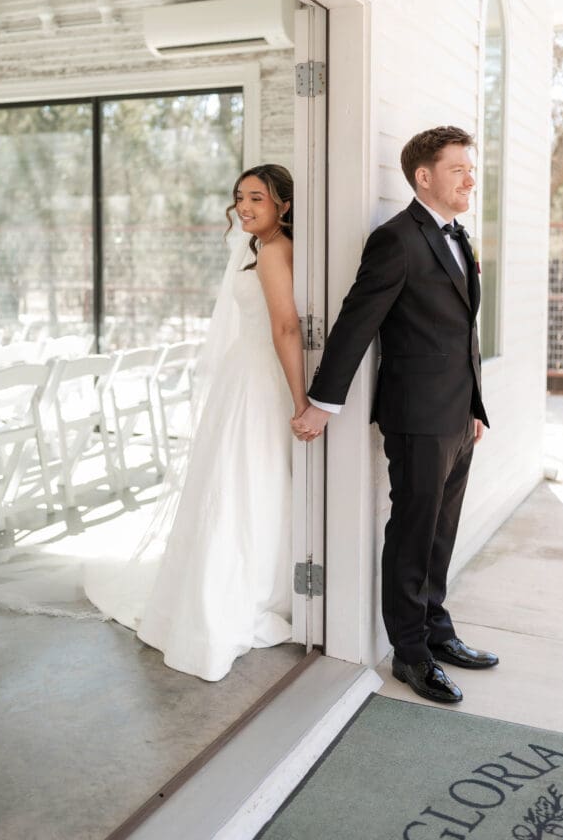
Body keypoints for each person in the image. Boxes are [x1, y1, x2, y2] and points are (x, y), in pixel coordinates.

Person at [291, 126, 498, 703]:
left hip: (459, 415)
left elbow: (463, 331)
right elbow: (358, 321)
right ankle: (410, 655)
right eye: (459, 169)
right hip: (417, 415)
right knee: (413, 533)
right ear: (424, 176)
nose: (470, 179)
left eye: (470, 168)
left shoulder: (459, 236)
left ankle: (437, 632)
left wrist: (476, 407)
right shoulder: (395, 239)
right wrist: (323, 402)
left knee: (441, 534)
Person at [85, 164, 308, 682]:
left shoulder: (274, 251)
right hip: (248, 380)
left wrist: (300, 401)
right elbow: (280, 326)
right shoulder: (260, 248)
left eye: (257, 197)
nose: (245, 207)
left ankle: (249, 587)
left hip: (260, 380)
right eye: (240, 197)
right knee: (239, 483)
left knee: (250, 482)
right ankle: (227, 592)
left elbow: (287, 326)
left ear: (285, 205)